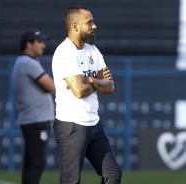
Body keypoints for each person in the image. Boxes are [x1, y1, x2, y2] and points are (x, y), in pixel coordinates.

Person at [52, 6, 122, 184]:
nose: (94, 26)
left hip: (95, 124)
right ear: (75, 26)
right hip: (72, 125)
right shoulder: (65, 52)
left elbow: (110, 86)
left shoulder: (93, 51)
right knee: (71, 181)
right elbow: (79, 91)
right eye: (89, 22)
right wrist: (97, 81)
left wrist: (90, 81)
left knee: (113, 175)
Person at [12, 29, 55, 184]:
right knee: (37, 163)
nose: (43, 45)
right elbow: (50, 86)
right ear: (28, 44)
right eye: (40, 42)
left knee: (32, 163)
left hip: (33, 120)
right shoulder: (27, 62)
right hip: (36, 121)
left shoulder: (25, 62)